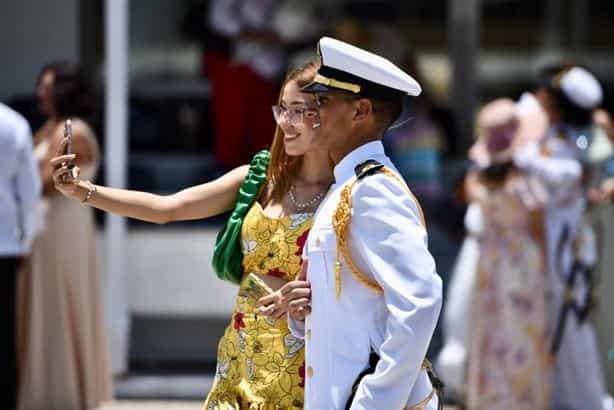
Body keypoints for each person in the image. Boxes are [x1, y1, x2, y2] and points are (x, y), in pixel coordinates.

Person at [50, 61, 333, 409]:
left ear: (327, 116)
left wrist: (316, 297)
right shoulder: (260, 177)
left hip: (305, 362)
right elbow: (167, 208)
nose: (285, 123)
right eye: (282, 109)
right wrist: (84, 191)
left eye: (298, 111)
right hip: (242, 350)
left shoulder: (347, 194)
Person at [261, 37, 443, 409]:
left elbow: (420, 302)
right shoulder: (347, 186)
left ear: (361, 111)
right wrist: (302, 312)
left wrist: (376, 400)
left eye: (323, 102)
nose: (312, 112)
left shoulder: (373, 190)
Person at [17, 62, 111, 410]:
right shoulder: (53, 127)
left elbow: (43, 181)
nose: (40, 92)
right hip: (51, 227)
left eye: (47, 86)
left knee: (57, 301)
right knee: (46, 303)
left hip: (62, 228)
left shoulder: (72, 132)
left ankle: (60, 393)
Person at [525, 64, 612, 410]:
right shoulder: (572, 133)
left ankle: (586, 400)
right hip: (560, 238)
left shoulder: (575, 137)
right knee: (557, 326)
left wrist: (526, 157)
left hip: (566, 244)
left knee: (572, 326)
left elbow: (568, 173)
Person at [464, 99, 551, 410]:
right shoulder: (526, 182)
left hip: (490, 263)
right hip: (521, 262)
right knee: (523, 331)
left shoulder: (477, 181)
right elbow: (539, 229)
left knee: (492, 331)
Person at [0, 102, 41, 410]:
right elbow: (29, 193)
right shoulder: (13, 124)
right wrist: (26, 241)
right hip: (5, 246)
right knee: (5, 336)